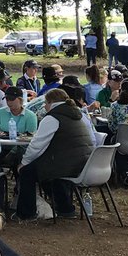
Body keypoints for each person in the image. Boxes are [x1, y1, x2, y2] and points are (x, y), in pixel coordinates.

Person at [15, 88, 93, 220]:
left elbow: (37, 145)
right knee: (48, 171)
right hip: (84, 162)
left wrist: (24, 162)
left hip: (67, 164)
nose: (44, 106)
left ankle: (26, 213)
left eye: (45, 103)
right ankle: (65, 208)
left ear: (51, 102)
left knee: (27, 172)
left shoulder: (52, 118)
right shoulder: (77, 114)